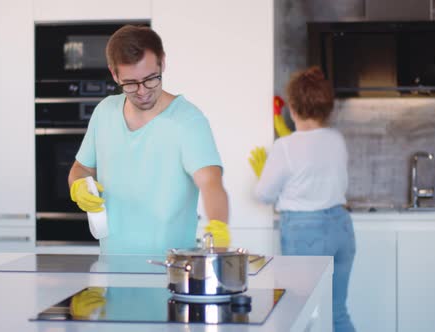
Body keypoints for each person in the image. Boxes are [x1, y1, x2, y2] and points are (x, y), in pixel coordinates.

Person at [67, 25, 230, 255]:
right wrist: (78, 185)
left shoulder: (188, 120)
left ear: (162, 63)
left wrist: (219, 228)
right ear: (114, 74)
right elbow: (81, 168)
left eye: (151, 79)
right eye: (130, 83)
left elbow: (211, 183)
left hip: (171, 271)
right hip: (112, 268)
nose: (142, 91)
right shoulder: (104, 112)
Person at [250, 66, 356, 332]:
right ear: (327, 109)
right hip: (341, 227)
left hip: (305, 232)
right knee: (336, 312)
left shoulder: (284, 147)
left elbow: (263, 194)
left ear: (293, 109)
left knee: (300, 315)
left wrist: (264, 172)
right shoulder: (336, 139)